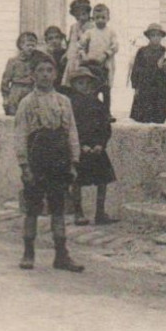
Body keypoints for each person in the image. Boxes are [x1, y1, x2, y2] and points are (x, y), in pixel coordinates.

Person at [14, 59, 84, 272]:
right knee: (33, 208)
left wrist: (74, 161)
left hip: (59, 158)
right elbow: (20, 135)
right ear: (33, 75)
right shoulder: (26, 102)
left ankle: (61, 255)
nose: (45, 74)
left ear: (55, 74)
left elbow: (72, 131)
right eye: (40, 70)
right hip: (37, 159)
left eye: (49, 70)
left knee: (58, 208)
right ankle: (28, 252)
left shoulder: (64, 101)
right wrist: (24, 165)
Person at [66, 67, 117, 226]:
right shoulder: (70, 105)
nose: (85, 86)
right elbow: (70, 128)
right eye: (80, 83)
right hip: (79, 149)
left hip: (97, 148)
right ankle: (78, 212)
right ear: (73, 85)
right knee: (77, 181)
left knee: (103, 180)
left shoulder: (98, 104)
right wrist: (80, 146)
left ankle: (100, 212)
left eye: (88, 83)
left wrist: (101, 144)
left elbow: (105, 127)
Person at [75, 3, 120, 115]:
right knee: (92, 88)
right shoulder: (90, 32)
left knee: (106, 89)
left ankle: (106, 112)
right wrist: (84, 56)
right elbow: (80, 45)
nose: (100, 20)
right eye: (97, 18)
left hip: (106, 64)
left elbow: (115, 46)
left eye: (103, 17)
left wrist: (106, 55)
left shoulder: (111, 32)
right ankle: (92, 111)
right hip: (91, 64)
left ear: (108, 18)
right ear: (93, 18)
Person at [128, 24, 166, 123]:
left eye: (158, 35)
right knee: (144, 115)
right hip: (145, 86)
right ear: (148, 37)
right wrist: (135, 85)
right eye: (153, 35)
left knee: (158, 115)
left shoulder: (165, 51)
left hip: (160, 86)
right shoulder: (142, 51)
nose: (156, 38)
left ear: (161, 37)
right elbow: (136, 68)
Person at [0, 31, 46, 116]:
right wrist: (5, 98)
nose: (31, 48)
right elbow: (5, 81)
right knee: (14, 116)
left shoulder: (36, 61)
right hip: (16, 92)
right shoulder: (13, 61)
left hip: (31, 91)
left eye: (33, 45)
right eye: (28, 45)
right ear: (21, 46)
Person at [62, 0, 94, 76]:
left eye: (83, 13)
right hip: (73, 58)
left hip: (87, 57)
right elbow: (71, 43)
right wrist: (66, 54)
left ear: (88, 13)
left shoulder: (93, 26)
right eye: (77, 15)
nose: (80, 17)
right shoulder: (74, 27)